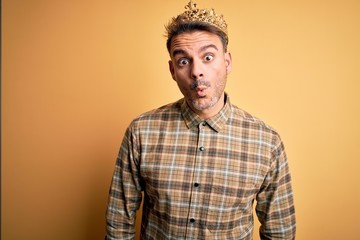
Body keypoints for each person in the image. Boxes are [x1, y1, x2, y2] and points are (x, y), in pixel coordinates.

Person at [106, 1, 296, 239]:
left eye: (207, 57)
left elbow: (280, 231)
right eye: (184, 61)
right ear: (173, 70)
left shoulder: (267, 143)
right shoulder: (141, 131)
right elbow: (119, 221)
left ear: (227, 62)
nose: (196, 71)